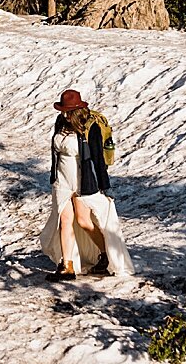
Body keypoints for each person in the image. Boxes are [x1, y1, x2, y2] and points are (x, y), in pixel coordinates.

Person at [40, 89, 134, 280]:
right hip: (62, 180)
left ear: (75, 111)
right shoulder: (60, 123)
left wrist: (104, 185)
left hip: (83, 181)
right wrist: (53, 176)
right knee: (64, 220)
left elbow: (98, 159)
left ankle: (106, 254)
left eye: (67, 111)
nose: (64, 114)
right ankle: (67, 266)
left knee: (83, 221)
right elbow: (55, 153)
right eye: (62, 110)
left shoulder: (90, 127)